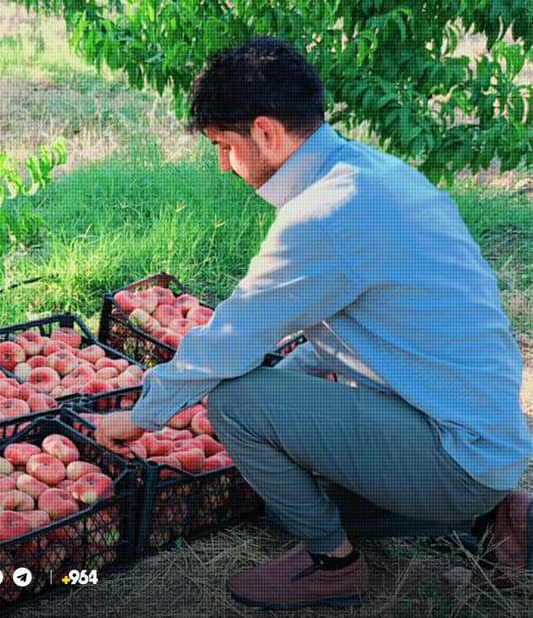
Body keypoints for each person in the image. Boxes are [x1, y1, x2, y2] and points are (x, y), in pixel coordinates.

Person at [94, 36, 533, 610]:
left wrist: (143, 414)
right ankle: (495, 512)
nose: (224, 165)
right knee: (283, 492)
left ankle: (336, 564)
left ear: (267, 132)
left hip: (455, 452)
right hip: (482, 434)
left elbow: (233, 337)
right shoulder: (372, 172)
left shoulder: (324, 215)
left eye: (225, 146)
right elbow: (365, 330)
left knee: (239, 408)